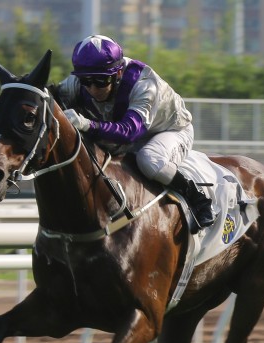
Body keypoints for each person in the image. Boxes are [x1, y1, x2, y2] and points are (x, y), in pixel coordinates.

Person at [55, 34, 215, 228]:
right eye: (85, 81)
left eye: (100, 81)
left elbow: (129, 132)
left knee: (149, 160)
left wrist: (88, 124)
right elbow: (46, 97)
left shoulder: (144, 84)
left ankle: (197, 198)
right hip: (127, 135)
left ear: (118, 74)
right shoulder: (77, 83)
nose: (92, 89)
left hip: (169, 130)